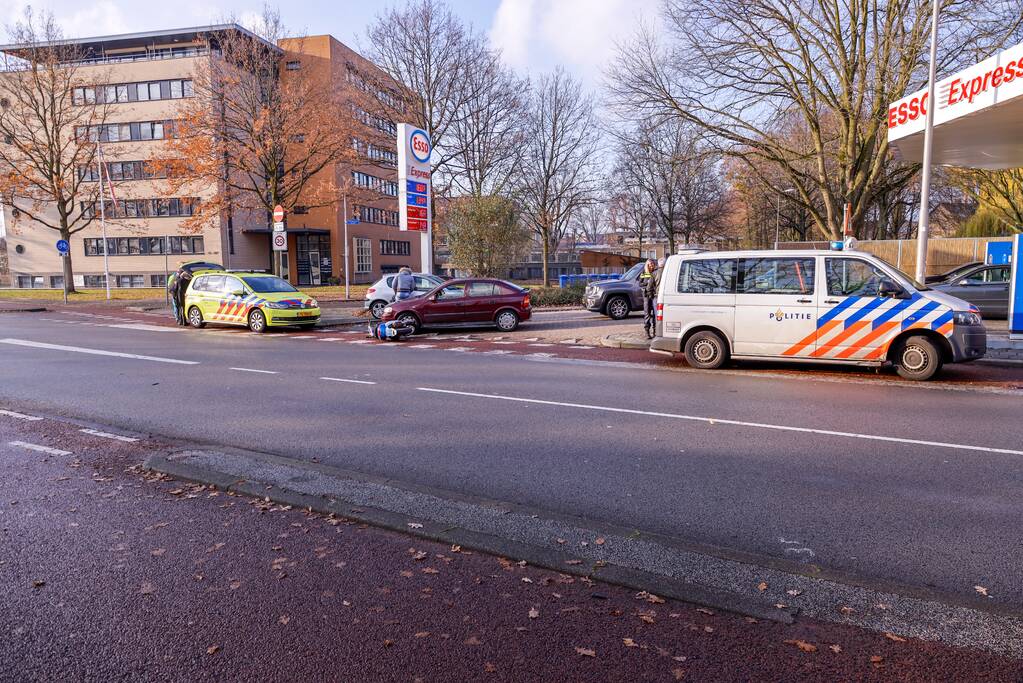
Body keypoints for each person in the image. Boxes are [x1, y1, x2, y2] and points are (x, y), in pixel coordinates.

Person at [639, 258, 660, 340]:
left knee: (655, 313)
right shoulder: (643, 273)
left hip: (654, 295)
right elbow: (640, 283)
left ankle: (655, 331)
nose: (651, 266)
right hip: (646, 296)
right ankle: (647, 332)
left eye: (652, 264)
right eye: (650, 264)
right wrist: (646, 283)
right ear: (647, 265)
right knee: (647, 313)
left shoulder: (655, 272)